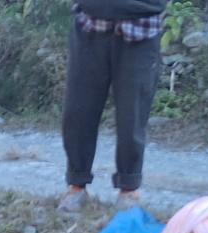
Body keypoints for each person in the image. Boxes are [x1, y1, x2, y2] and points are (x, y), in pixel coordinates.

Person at [59, 0, 168, 214]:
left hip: (141, 33)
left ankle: (129, 188)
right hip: (90, 29)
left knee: (132, 116)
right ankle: (77, 185)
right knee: (78, 111)